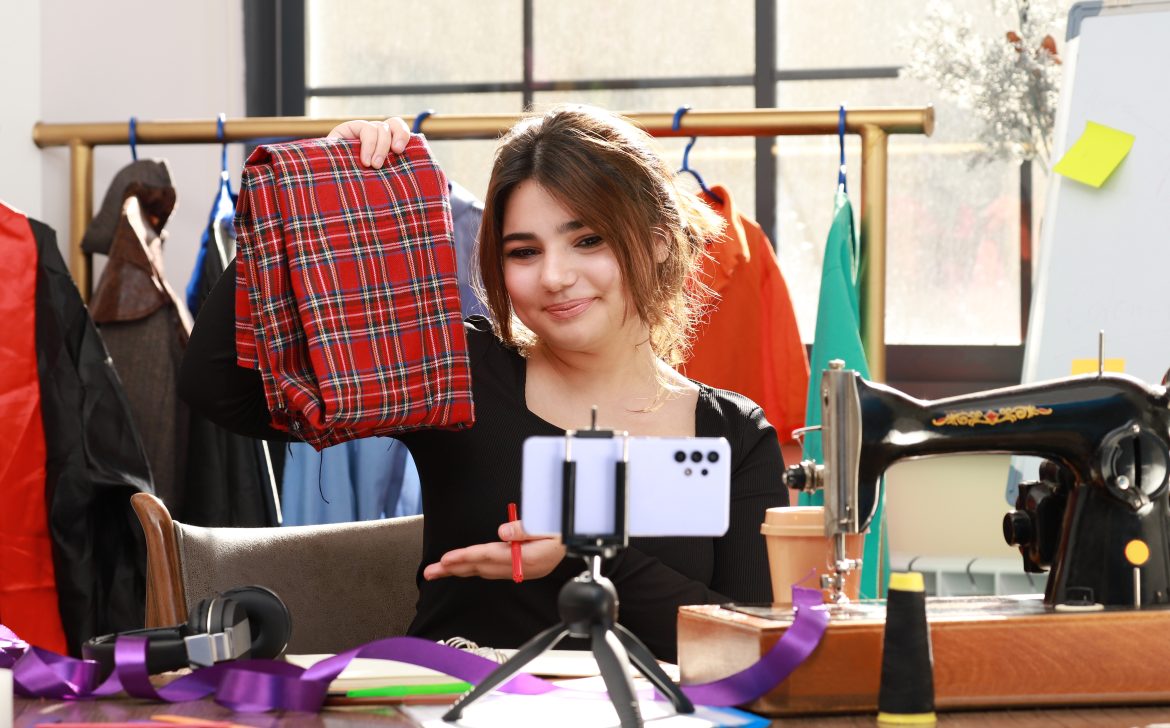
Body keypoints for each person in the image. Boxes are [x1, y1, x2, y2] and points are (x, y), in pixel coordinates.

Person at [179, 105, 787, 662]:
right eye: (523, 252)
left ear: (657, 243)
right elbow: (217, 388)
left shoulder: (736, 436)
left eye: (588, 240)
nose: (554, 276)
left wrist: (583, 557)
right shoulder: (457, 369)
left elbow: (749, 642)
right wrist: (320, 196)